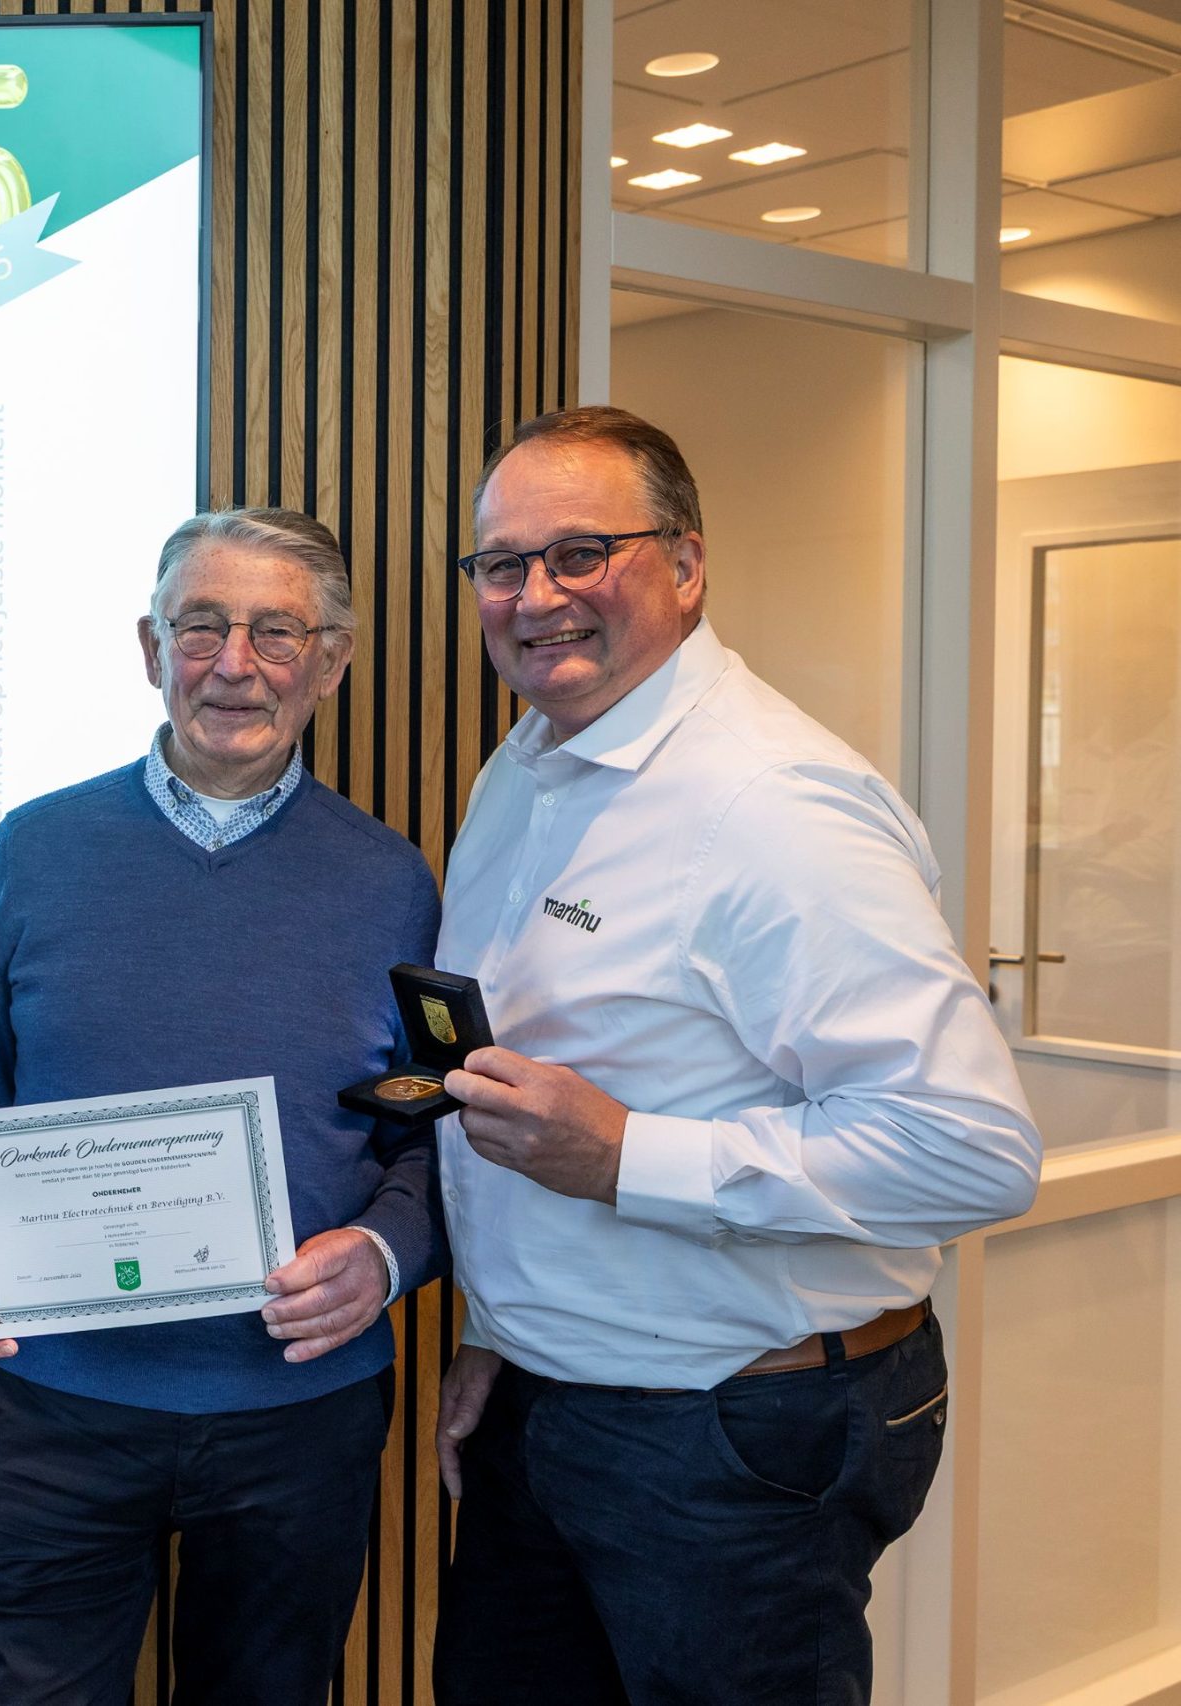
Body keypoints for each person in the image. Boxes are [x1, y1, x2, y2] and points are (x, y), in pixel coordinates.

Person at [429, 407, 1042, 1704]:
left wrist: (626, 1154)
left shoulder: (770, 804)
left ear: (687, 565)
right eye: (502, 563)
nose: (535, 596)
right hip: (551, 1402)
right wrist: (501, 1324)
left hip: (732, 1430)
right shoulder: (525, 767)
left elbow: (969, 1148)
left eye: (581, 552)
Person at [0, 508, 443, 1706]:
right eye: (198, 626)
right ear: (151, 648)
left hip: (296, 1410)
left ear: (331, 660)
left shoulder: (390, 880)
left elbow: (425, 1130)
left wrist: (382, 1251)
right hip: (55, 1406)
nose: (232, 663)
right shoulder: (34, 849)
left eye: (274, 631)